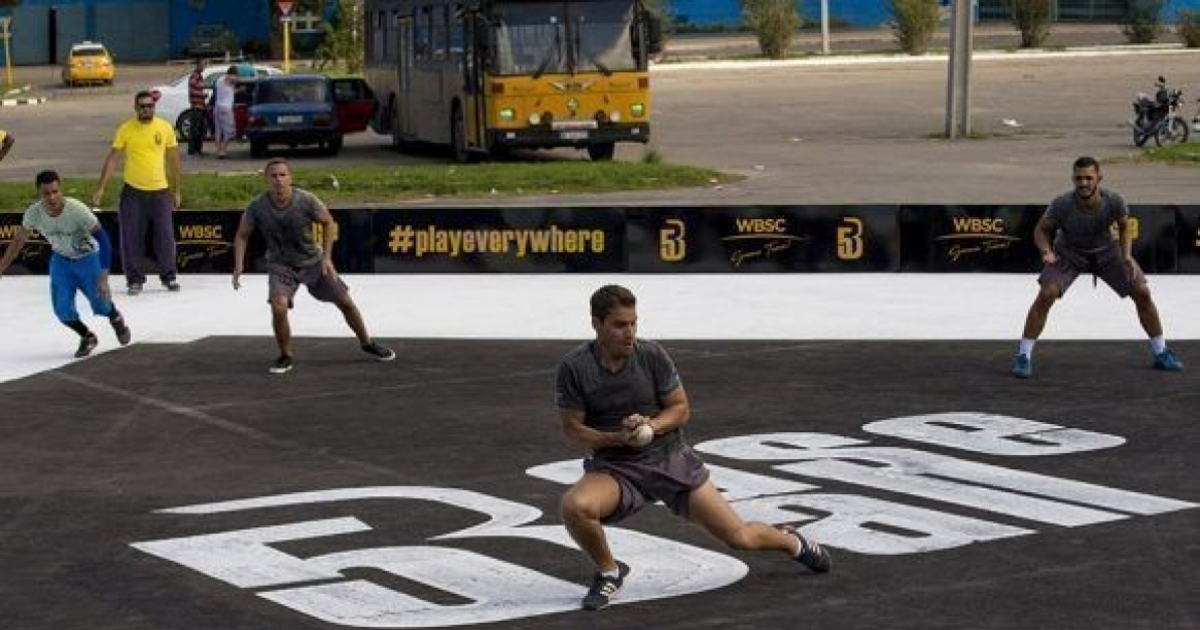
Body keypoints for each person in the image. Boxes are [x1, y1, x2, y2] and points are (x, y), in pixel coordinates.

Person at [555, 284, 831, 611]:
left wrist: (650, 427)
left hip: (671, 460)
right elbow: (574, 428)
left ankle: (791, 541)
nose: (629, 333)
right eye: (619, 325)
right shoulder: (574, 367)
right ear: (597, 324)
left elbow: (681, 409)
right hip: (617, 469)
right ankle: (610, 571)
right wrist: (618, 438)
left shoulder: (652, 355)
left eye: (633, 323)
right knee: (575, 507)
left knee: (740, 537)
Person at [1012, 156, 1184, 378]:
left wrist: (1127, 256)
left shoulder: (1114, 201)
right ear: (1073, 179)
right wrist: (1046, 251)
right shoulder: (1062, 203)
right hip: (1069, 253)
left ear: (1099, 179)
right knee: (1047, 294)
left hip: (1107, 251)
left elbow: (1124, 228)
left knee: (1142, 292)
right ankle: (1023, 356)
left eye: (1088, 178)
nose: (1083, 183)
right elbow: (1041, 230)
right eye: (1078, 178)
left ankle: (1161, 352)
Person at [231, 158, 396, 374]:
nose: (278, 180)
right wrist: (238, 265)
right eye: (273, 176)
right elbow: (242, 235)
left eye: (282, 175)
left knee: (345, 302)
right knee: (278, 306)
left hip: (312, 262)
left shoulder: (305, 200)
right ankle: (285, 355)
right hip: (281, 265)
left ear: (290, 178)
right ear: (266, 180)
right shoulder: (257, 206)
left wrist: (327, 257)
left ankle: (367, 343)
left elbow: (328, 222)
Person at [0, 170, 131, 358]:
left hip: (88, 259)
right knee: (62, 310)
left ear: (60, 189)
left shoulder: (76, 209)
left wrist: (103, 275)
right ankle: (87, 336)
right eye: (46, 193)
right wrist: (2, 266)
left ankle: (115, 317)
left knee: (101, 305)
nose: (52, 197)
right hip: (61, 260)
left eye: (55, 192)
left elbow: (102, 238)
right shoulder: (34, 213)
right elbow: (19, 240)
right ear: (39, 193)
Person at [92, 91, 183, 296]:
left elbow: (174, 161)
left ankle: (169, 276)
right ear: (135, 108)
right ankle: (134, 280)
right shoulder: (126, 129)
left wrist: (177, 190)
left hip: (160, 191)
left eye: (150, 105)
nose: (146, 109)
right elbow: (113, 159)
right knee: (131, 238)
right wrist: (101, 187)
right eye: (142, 106)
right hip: (133, 192)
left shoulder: (165, 127)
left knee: (165, 237)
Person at [212, 66, 239, 159]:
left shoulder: (219, 80)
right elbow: (232, 79)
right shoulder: (227, 78)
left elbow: (228, 91)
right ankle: (223, 150)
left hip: (217, 107)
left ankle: (218, 150)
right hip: (226, 108)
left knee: (218, 130)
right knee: (230, 131)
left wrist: (238, 90)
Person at [186, 58, 208, 156]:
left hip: (201, 106)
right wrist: (202, 95)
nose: (204, 67)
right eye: (203, 64)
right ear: (198, 65)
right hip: (196, 106)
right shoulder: (194, 76)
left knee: (201, 129)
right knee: (195, 129)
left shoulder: (199, 76)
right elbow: (193, 90)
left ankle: (198, 149)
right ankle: (192, 150)